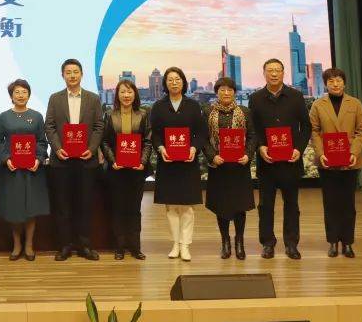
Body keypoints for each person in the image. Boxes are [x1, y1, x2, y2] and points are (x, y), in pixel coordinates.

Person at [249, 58, 310, 260]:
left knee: (291, 204)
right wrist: (260, 146)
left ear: (283, 73)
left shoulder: (296, 96)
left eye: (277, 70)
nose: (274, 74)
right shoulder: (255, 98)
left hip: (291, 161)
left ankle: (291, 244)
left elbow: (306, 126)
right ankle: (267, 243)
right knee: (265, 205)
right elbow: (253, 128)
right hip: (267, 162)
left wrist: (298, 149)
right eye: (270, 70)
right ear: (264, 73)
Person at [44, 58, 105, 261]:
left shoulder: (93, 99)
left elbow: (99, 126)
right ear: (62, 75)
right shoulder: (55, 98)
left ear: (81, 74)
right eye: (68, 72)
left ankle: (84, 246)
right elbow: (49, 126)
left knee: (85, 205)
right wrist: (57, 148)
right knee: (63, 206)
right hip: (61, 161)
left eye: (75, 72)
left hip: (86, 161)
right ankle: (65, 246)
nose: (72, 75)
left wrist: (92, 149)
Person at [309, 67, 362, 258]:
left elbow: (361, 131)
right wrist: (320, 153)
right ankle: (333, 242)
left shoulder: (355, 103)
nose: (335, 84)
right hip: (327, 161)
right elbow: (314, 131)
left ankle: (348, 243)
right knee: (331, 203)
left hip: (350, 161)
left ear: (344, 83)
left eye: (339, 80)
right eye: (331, 81)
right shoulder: (318, 105)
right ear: (325, 84)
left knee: (348, 204)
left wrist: (354, 152)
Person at [149, 67, 204, 262]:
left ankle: (185, 245)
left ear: (183, 82)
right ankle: (175, 243)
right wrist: (160, 147)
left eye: (177, 79)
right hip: (168, 162)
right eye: (170, 80)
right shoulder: (158, 106)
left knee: (187, 206)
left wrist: (194, 148)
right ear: (165, 83)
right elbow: (155, 133)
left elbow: (201, 132)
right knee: (171, 206)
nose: (174, 83)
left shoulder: (193, 105)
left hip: (188, 162)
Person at [200, 77, 257, 260]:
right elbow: (203, 138)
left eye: (230, 90)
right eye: (222, 90)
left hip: (240, 166)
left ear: (235, 92)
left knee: (240, 206)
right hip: (218, 166)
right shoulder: (207, 111)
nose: (226, 93)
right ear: (216, 92)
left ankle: (239, 241)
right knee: (221, 206)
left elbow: (253, 136)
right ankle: (225, 241)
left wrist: (248, 154)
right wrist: (212, 156)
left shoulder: (245, 112)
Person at [0, 79, 49, 261]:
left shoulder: (37, 116)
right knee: (14, 208)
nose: (21, 95)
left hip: (32, 170)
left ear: (29, 95)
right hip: (11, 170)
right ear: (11, 95)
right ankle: (16, 245)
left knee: (31, 207)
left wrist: (38, 159)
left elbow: (42, 142)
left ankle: (29, 245)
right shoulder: (3, 117)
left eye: (24, 92)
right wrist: (6, 159)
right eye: (17, 92)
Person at [99, 79, 152, 260]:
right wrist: (113, 160)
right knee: (118, 208)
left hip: (137, 170)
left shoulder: (143, 114)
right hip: (117, 170)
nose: (126, 95)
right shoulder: (109, 115)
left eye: (129, 92)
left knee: (134, 209)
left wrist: (142, 162)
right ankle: (120, 247)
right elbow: (104, 141)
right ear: (117, 95)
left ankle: (135, 247)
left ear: (135, 94)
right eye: (123, 92)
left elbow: (147, 141)